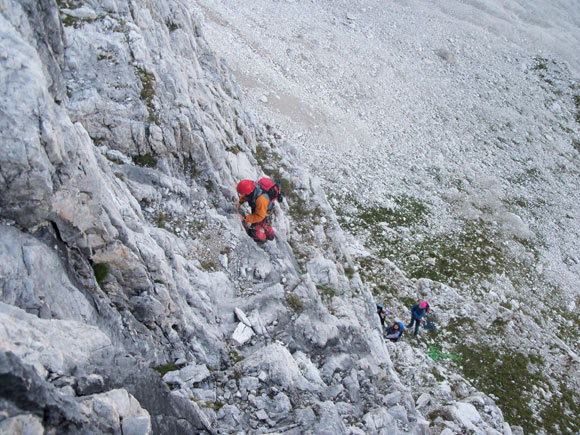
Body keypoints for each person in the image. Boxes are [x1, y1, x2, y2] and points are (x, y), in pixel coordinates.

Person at [235, 178, 281, 243]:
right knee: (266, 223)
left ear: (249, 193)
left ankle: (264, 238)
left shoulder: (261, 200)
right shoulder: (253, 188)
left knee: (254, 230)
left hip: (264, 211)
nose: (242, 195)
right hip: (263, 206)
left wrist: (244, 218)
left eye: (243, 194)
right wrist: (240, 202)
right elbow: (245, 195)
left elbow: (259, 216)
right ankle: (270, 233)